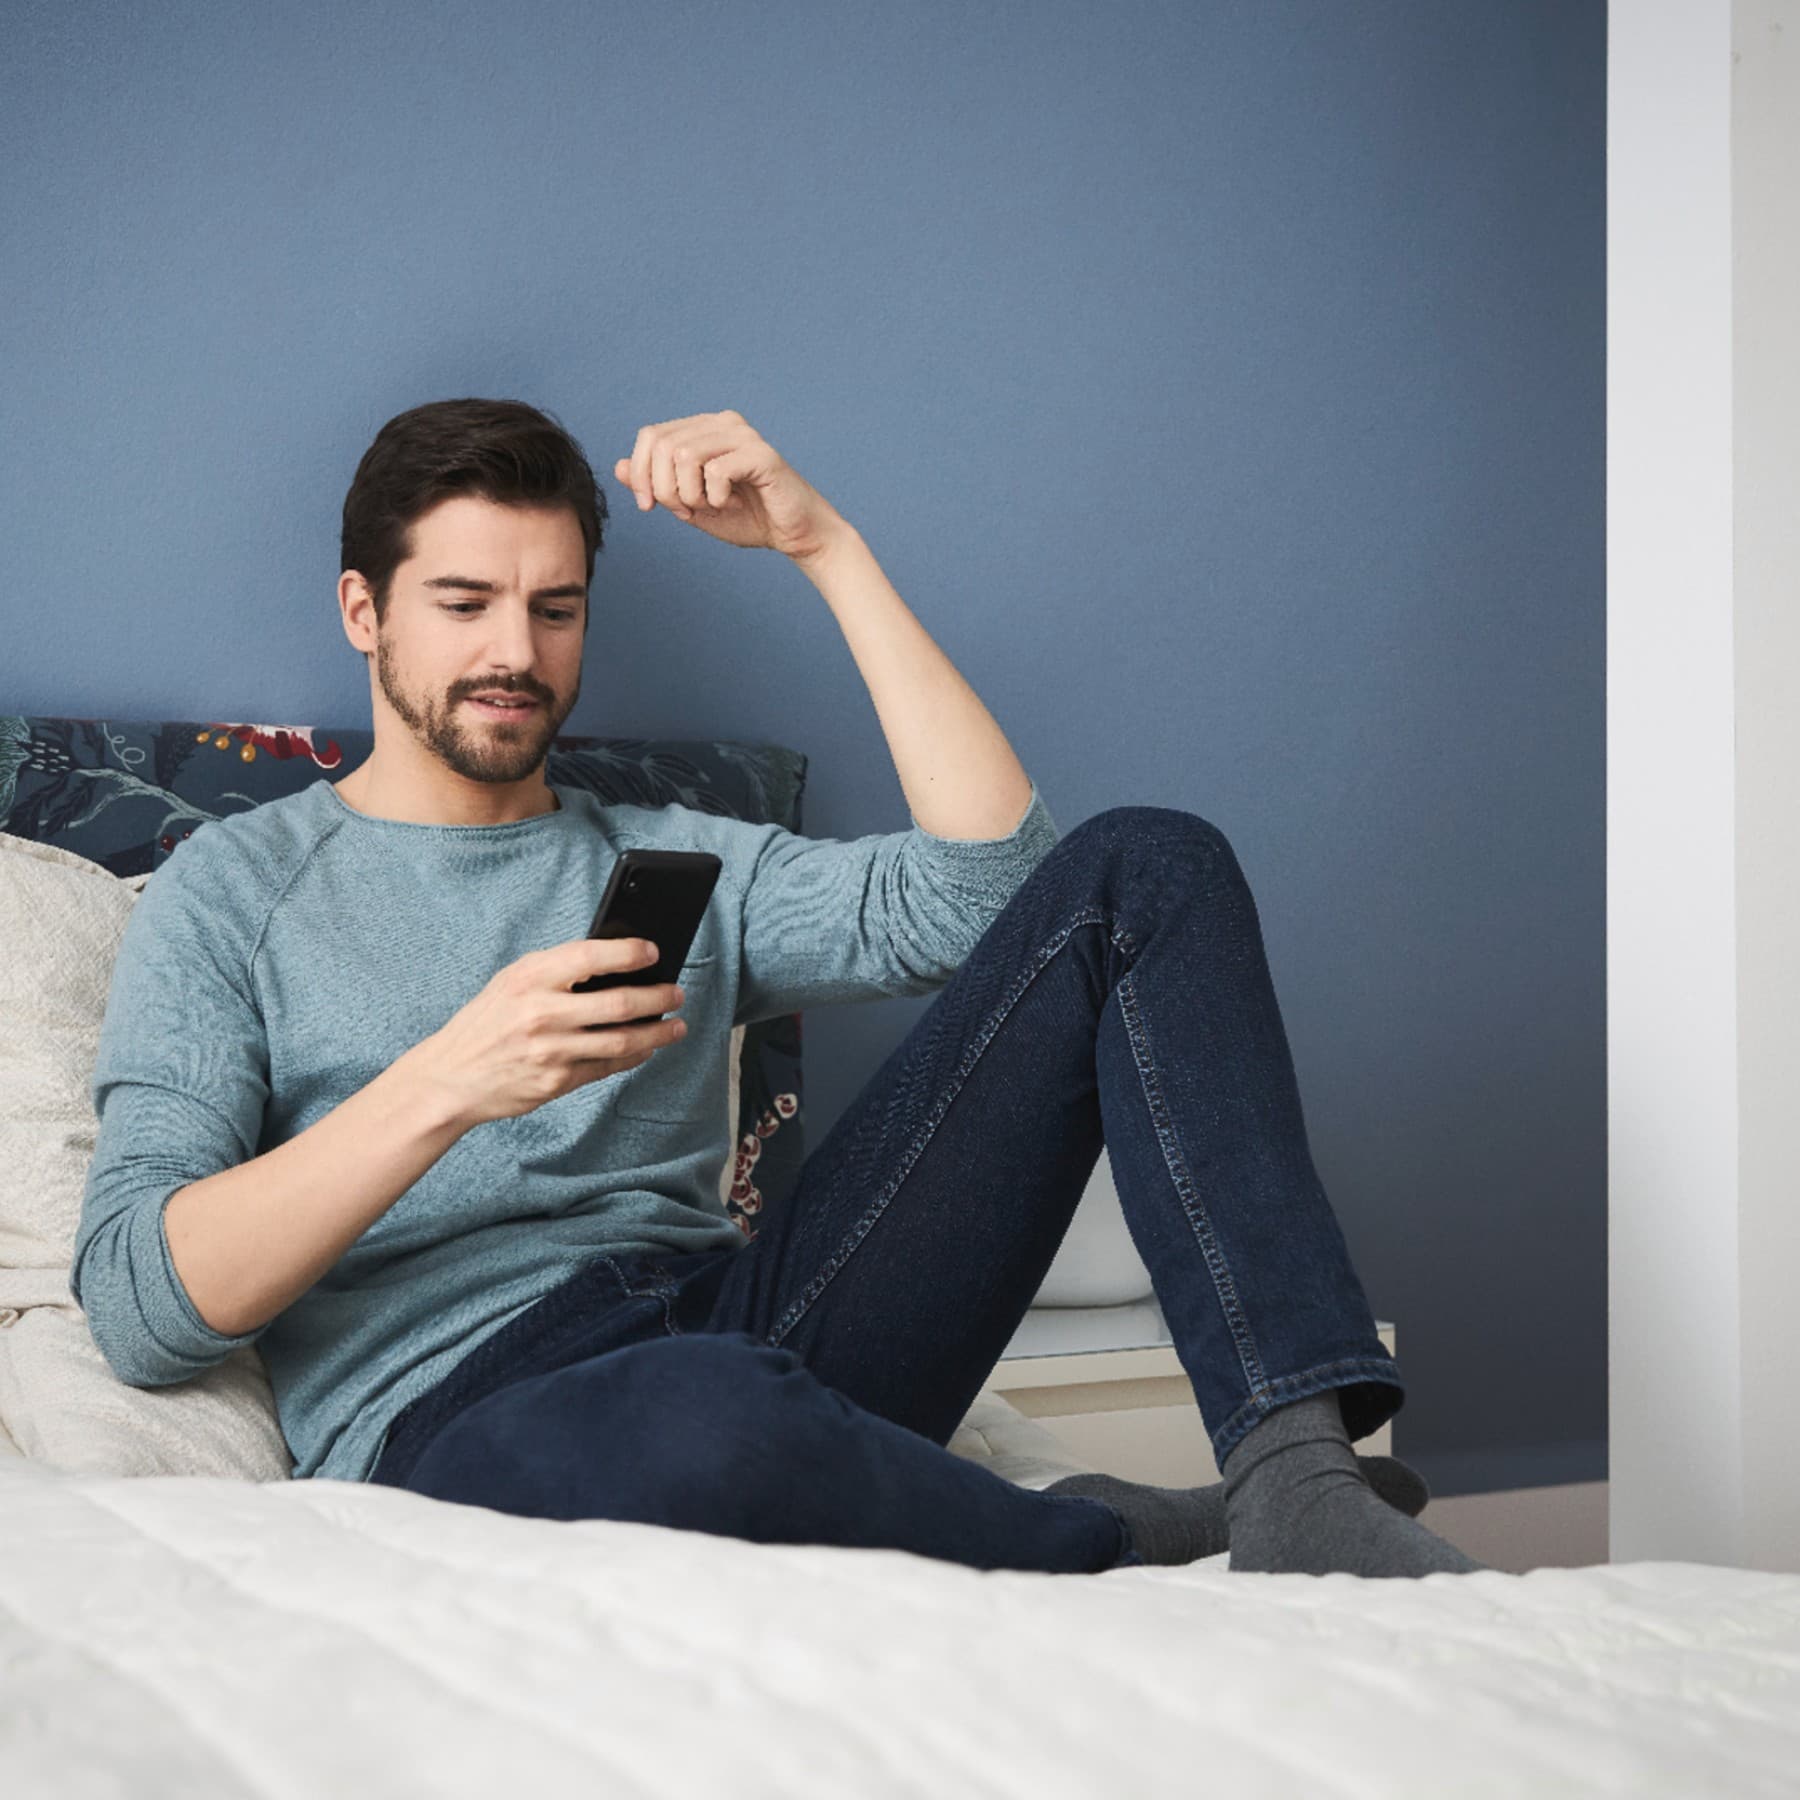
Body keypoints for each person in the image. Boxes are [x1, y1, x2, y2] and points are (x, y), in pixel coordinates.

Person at [73, 397, 1486, 1579]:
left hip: (748, 1316)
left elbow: (999, 895)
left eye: (555, 609)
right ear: (363, 611)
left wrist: (827, 549)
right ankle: (1091, 1534)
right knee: (705, 1413)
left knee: (1148, 865)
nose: (515, 652)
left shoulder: (681, 861)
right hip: (462, 1411)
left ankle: (1297, 1478)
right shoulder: (232, 892)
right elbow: (143, 1306)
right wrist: (449, 1082)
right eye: (464, 603)